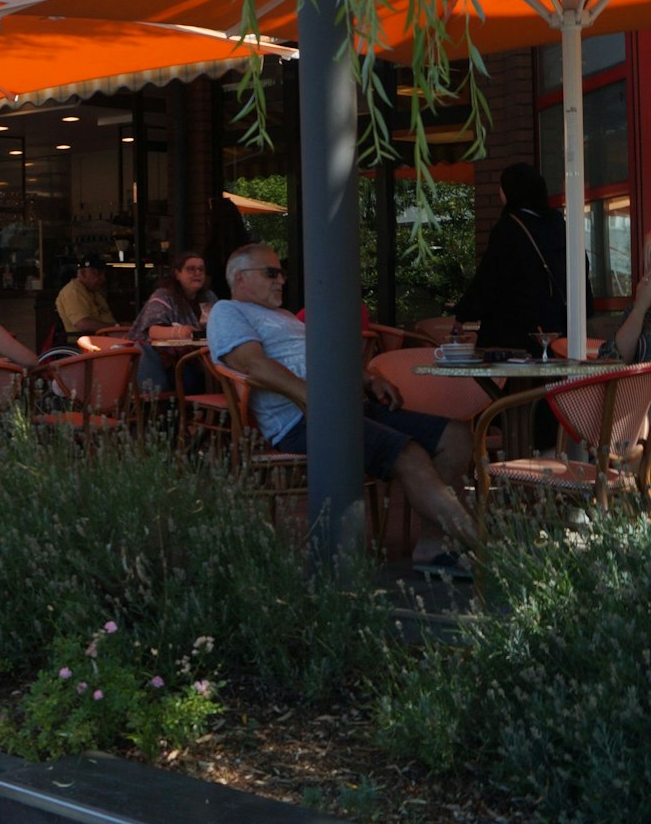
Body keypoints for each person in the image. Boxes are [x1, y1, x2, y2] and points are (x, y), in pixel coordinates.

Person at [208, 243, 479, 575]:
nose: (282, 280)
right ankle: (485, 550)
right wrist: (313, 399)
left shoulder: (283, 317)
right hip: (300, 421)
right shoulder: (227, 312)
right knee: (408, 454)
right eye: (272, 273)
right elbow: (253, 366)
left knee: (456, 435)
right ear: (239, 278)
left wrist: (368, 379)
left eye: (282, 273)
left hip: (347, 407)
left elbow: (326, 356)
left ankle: (433, 546)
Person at [451, 162, 571, 353]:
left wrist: (463, 313)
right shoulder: (558, 224)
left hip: (514, 330)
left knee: (504, 376)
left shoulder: (509, 227)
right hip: (560, 328)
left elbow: (489, 278)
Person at [126, 251, 217, 392]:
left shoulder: (209, 297)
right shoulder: (163, 296)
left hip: (197, 356)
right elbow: (153, 331)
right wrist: (181, 331)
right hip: (162, 360)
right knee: (190, 381)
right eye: (190, 269)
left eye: (201, 269)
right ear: (177, 274)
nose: (197, 273)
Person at [55, 254, 116, 336]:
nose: (103, 278)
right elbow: (83, 324)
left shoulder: (95, 292)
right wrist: (115, 328)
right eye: (98, 273)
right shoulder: (73, 292)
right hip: (88, 344)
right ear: (83, 273)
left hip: (109, 339)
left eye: (104, 274)